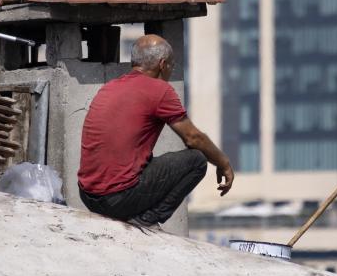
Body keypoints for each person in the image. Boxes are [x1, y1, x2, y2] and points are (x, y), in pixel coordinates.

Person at [78, 34, 234, 228]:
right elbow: (193, 138)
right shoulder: (159, 90)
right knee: (197, 161)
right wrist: (223, 163)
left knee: (147, 158)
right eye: (171, 66)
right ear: (162, 64)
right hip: (116, 199)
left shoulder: (110, 87)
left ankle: (136, 214)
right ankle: (146, 220)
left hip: (87, 194)